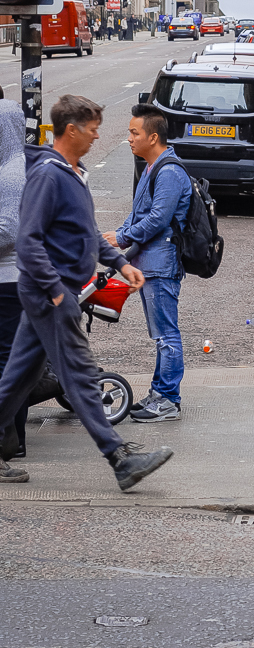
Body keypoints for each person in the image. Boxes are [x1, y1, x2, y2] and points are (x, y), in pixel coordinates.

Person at [0, 95, 174, 491]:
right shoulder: (48, 175)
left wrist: (119, 262)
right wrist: (55, 293)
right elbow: (27, 241)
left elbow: (86, 233)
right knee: (78, 374)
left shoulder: (71, 173)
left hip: (54, 291)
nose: (98, 135)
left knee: (16, 381)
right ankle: (120, 459)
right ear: (72, 129)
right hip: (51, 293)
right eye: (92, 128)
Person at [103, 104, 191, 424]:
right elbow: (140, 212)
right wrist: (119, 235)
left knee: (166, 334)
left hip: (161, 264)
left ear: (152, 137)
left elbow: (157, 220)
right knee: (160, 334)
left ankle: (168, 399)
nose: (128, 138)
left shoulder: (168, 172)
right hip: (148, 262)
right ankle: (159, 392)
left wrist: (122, 237)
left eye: (134, 132)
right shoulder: (152, 167)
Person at [0, 101, 28, 479]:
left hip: (10, 282)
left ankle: (12, 439)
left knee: (9, 363)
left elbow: (7, 230)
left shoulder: (12, 174)